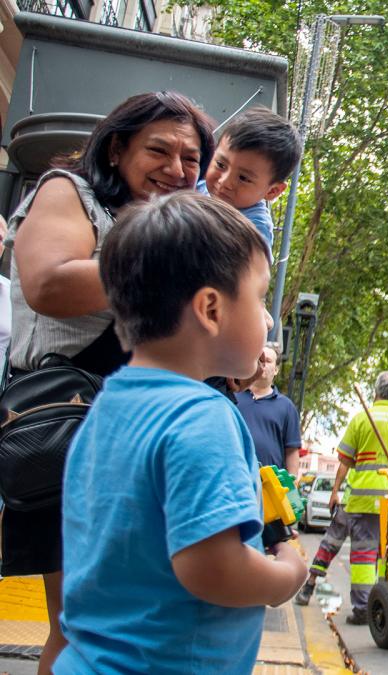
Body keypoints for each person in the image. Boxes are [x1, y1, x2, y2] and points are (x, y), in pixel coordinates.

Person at [0, 91, 214, 674]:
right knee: (82, 626)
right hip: (73, 431)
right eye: (159, 150)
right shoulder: (69, 193)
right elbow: (48, 284)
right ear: (117, 149)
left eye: (191, 159)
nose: (176, 169)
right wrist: (169, 262)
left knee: (135, 621)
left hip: (144, 439)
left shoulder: (177, 226)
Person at [57, 192, 307, 672]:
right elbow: (214, 569)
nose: (268, 318)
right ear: (210, 309)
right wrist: (286, 574)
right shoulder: (201, 416)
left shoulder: (107, 406)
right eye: (258, 297)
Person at [321, 372, 388, 624]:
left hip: (365, 500)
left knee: (363, 556)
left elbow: (345, 462)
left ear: (375, 392)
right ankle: (384, 604)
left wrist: (335, 491)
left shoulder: (361, 419)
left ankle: (362, 609)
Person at [199, 106, 301, 248]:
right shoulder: (196, 188)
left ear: (272, 191)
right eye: (221, 165)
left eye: (243, 178)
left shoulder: (253, 230)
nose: (224, 182)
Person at [236, 343, 302, 474]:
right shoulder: (233, 398)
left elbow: (292, 451)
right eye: (259, 360)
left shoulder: (286, 407)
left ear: (276, 369)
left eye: (268, 361)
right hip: (235, 477)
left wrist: (292, 486)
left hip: (269, 486)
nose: (263, 364)